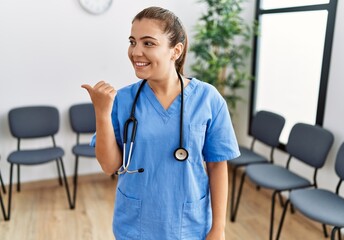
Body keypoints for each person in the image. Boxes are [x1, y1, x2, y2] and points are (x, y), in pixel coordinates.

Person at [82, 6, 240, 240]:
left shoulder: (208, 99)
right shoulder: (122, 100)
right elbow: (109, 166)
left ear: (175, 51)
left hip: (190, 224)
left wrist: (218, 228)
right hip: (136, 224)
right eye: (132, 41)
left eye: (148, 43)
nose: (136, 52)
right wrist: (102, 113)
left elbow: (217, 165)